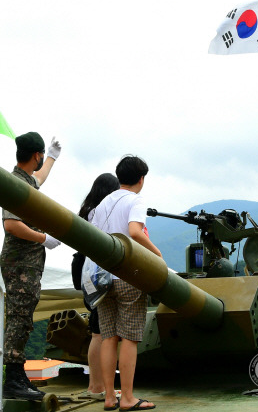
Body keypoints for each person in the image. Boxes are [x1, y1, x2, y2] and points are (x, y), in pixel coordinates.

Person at [92, 155, 160, 411]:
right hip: (128, 275)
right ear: (141, 179)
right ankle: (128, 398)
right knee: (129, 338)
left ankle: (110, 397)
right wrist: (157, 254)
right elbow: (134, 231)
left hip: (102, 278)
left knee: (108, 337)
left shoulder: (102, 205)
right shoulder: (136, 200)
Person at [0, 132, 62, 400]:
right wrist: (43, 238)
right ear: (34, 156)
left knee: (23, 319)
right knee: (18, 318)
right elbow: (11, 224)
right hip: (20, 264)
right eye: (41, 157)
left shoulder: (24, 180)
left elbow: (39, 178)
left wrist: (52, 157)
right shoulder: (14, 183)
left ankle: (18, 373)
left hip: (27, 265)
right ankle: (12, 378)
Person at [74, 173, 121, 399]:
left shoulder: (86, 211)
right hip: (97, 274)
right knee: (100, 333)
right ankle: (98, 386)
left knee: (97, 331)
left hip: (84, 273)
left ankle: (95, 385)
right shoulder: (100, 213)